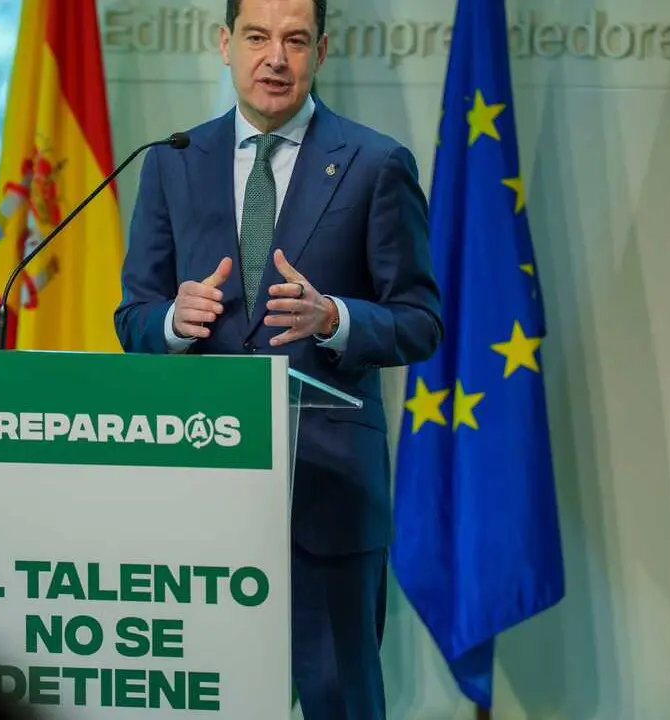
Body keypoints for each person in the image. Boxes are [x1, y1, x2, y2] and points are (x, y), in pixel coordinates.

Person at [113, 0, 443, 717]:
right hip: (200, 495)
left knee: (339, 700)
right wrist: (173, 320)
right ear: (224, 44)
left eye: (295, 40)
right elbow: (133, 317)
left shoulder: (376, 164)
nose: (276, 58)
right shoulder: (171, 162)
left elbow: (421, 322)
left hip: (329, 497)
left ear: (321, 51)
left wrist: (336, 318)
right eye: (258, 38)